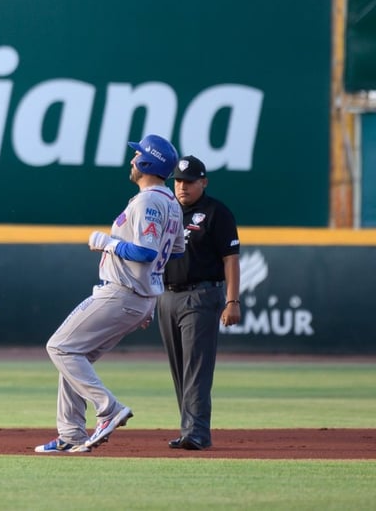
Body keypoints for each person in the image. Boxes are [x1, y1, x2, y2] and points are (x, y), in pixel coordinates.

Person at [35, 134, 185, 453]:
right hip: (137, 296)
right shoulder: (171, 203)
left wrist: (107, 243)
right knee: (77, 356)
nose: (132, 160)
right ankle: (72, 434)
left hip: (123, 293)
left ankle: (109, 408)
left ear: (147, 163)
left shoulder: (148, 201)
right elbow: (174, 253)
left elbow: (145, 252)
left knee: (59, 348)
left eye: (137, 156)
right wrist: (147, 291)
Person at [156, 155, 240, 451]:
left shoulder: (216, 212)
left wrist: (232, 300)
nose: (182, 186)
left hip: (201, 294)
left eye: (189, 181)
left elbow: (230, 258)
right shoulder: (166, 211)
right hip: (166, 294)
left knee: (197, 366)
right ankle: (188, 429)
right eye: (178, 181)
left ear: (203, 182)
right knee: (180, 367)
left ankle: (198, 432)